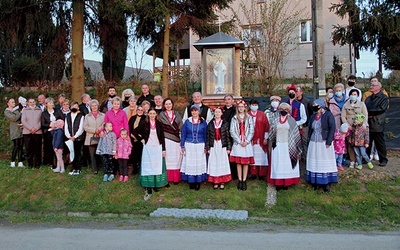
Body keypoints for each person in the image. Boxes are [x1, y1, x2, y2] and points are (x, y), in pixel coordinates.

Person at [132, 108, 167, 200]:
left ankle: (156, 184)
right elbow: (134, 131)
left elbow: (162, 137)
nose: (152, 115)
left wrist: (164, 149)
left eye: (153, 113)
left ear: (156, 114)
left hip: (157, 147)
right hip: (148, 147)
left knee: (156, 165)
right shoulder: (144, 123)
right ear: (148, 114)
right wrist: (141, 139)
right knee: (148, 166)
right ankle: (148, 185)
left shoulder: (159, 124)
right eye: (150, 113)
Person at [268, 103, 302, 190]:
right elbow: (271, 132)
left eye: (285, 109)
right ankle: (278, 182)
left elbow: (296, 134)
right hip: (278, 144)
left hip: (288, 145)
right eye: (282, 109)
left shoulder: (292, 120)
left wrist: (298, 149)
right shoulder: (275, 120)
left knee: (287, 164)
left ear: (288, 111)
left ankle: (287, 182)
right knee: (278, 164)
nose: (283, 111)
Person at [306, 99, 337, 193]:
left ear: (320, 105)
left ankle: (326, 183)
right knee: (315, 160)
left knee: (324, 160)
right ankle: (316, 182)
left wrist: (329, 141)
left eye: (315, 104)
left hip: (324, 141)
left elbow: (332, 128)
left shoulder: (328, 115)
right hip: (313, 142)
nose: (314, 106)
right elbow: (310, 128)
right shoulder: (313, 116)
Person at [180, 104, 208, 191]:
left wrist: (206, 146)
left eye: (196, 110)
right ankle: (191, 181)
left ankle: (198, 182)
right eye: (192, 111)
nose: (194, 112)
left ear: (199, 112)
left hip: (200, 144)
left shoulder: (203, 122)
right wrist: (182, 145)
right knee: (190, 162)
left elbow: (206, 135)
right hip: (189, 144)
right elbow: (183, 133)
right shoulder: (187, 122)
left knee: (198, 163)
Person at [230, 100, 255, 191]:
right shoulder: (234, 118)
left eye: (242, 106)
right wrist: (239, 141)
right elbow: (232, 131)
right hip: (238, 142)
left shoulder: (249, 118)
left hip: (246, 142)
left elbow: (252, 130)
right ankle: (239, 179)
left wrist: (247, 141)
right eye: (239, 107)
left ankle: (244, 180)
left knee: (245, 162)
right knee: (239, 162)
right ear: (237, 108)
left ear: (245, 108)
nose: (241, 108)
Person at [341, 89, 369, 168]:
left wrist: (362, 124)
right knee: (350, 143)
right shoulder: (345, 105)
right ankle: (352, 160)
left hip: (359, 128)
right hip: (350, 127)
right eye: (352, 94)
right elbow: (343, 116)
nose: (353, 96)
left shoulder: (362, 104)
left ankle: (358, 161)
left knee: (359, 144)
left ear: (357, 96)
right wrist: (346, 125)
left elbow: (365, 114)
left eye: (355, 94)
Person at [158, 98, 183, 184]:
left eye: (170, 104)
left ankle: (176, 178)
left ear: (172, 105)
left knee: (176, 158)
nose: (168, 106)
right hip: (166, 138)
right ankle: (168, 178)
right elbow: (160, 127)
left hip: (176, 139)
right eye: (166, 104)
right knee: (167, 158)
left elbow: (180, 124)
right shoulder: (161, 115)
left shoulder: (176, 114)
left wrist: (179, 133)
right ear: (164, 105)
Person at [364, 78, 389, 166]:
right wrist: (367, 114)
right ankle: (366, 158)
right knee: (368, 142)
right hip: (368, 122)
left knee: (379, 143)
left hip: (377, 123)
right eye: (371, 85)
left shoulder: (384, 98)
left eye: (373, 85)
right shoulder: (368, 98)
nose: (371, 87)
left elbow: (381, 109)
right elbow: (365, 108)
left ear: (378, 87)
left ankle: (383, 159)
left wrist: (369, 113)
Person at [206, 107, 232, 190]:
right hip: (213, 145)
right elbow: (208, 136)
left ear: (221, 114)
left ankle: (222, 181)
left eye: (219, 112)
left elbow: (228, 136)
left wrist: (228, 147)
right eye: (216, 112)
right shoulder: (210, 124)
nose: (217, 114)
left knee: (222, 162)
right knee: (214, 161)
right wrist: (208, 147)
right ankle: (215, 181)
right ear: (214, 114)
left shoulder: (225, 123)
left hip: (222, 145)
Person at [248, 99, 270, 180]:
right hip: (250, 140)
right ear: (250, 106)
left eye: (255, 105)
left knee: (261, 155)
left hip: (261, 139)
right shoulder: (247, 115)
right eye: (253, 105)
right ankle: (253, 173)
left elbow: (266, 126)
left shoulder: (262, 115)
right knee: (252, 155)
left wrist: (265, 137)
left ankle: (262, 173)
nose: (254, 106)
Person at [83, 99, 105, 174]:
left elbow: (104, 124)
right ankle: (94, 169)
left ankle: (102, 167)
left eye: (95, 105)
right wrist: (94, 130)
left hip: (101, 136)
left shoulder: (103, 115)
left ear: (98, 106)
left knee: (101, 153)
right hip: (90, 137)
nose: (94, 107)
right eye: (92, 106)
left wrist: (99, 129)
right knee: (92, 154)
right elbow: (85, 127)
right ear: (90, 107)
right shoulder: (87, 116)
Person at [41, 97, 64, 168]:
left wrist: (58, 124)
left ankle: (58, 162)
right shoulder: (44, 113)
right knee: (49, 147)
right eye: (50, 103)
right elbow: (42, 124)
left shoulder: (57, 111)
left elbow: (62, 119)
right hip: (48, 132)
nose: (51, 104)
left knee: (57, 146)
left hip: (58, 131)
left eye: (52, 103)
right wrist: (50, 125)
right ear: (46, 104)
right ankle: (50, 162)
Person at [65, 101, 85, 175]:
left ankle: (78, 168)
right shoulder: (67, 116)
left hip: (78, 138)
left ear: (78, 108)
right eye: (73, 106)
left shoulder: (81, 116)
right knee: (71, 152)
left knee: (78, 153)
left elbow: (81, 128)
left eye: (76, 106)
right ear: (70, 107)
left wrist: (75, 136)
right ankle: (73, 167)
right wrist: (69, 136)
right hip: (70, 138)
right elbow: (66, 127)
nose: (74, 108)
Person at [21, 98, 42, 169]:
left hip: (37, 132)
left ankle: (37, 164)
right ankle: (30, 164)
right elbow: (23, 121)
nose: (32, 103)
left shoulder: (39, 110)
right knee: (29, 149)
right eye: (30, 102)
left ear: (35, 102)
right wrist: (31, 128)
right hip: (27, 132)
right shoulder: (25, 111)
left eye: (33, 102)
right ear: (28, 103)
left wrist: (36, 128)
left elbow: (41, 121)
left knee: (37, 149)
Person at [4, 97, 24, 168]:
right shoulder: (7, 111)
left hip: (21, 130)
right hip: (14, 131)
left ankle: (20, 162)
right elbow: (14, 118)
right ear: (8, 103)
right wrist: (21, 112)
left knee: (21, 146)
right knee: (16, 145)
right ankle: (12, 161)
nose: (14, 103)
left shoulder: (16, 110)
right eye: (12, 102)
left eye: (14, 102)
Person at [222, 94, 237, 180]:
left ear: (232, 100)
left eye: (229, 99)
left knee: (233, 153)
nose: (227, 101)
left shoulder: (235, 110)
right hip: (224, 135)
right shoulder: (222, 110)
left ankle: (234, 173)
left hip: (233, 134)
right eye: (226, 100)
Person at [128, 106, 146, 175]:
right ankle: (135, 169)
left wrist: (137, 136)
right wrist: (130, 135)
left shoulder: (145, 118)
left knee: (140, 155)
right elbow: (129, 128)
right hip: (132, 139)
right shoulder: (132, 118)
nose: (140, 111)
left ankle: (140, 169)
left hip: (141, 140)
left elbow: (144, 130)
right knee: (134, 155)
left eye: (141, 110)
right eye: (138, 109)